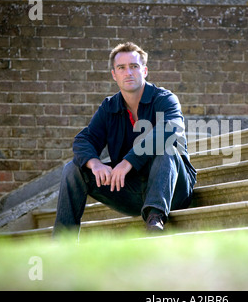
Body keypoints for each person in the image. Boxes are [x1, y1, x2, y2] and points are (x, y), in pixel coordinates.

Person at [53, 42, 196, 237]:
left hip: (172, 189)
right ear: (114, 74)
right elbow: (84, 139)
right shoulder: (109, 107)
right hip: (131, 190)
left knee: (166, 147)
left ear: (144, 71)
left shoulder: (165, 99)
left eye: (134, 66)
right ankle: (63, 240)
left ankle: (155, 220)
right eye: (121, 68)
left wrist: (128, 162)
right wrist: (95, 164)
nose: (128, 72)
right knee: (73, 169)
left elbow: (169, 129)